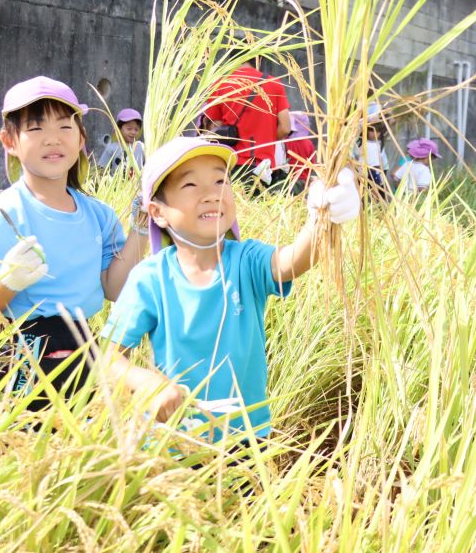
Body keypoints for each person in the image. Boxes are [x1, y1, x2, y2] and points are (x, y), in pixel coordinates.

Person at [100, 137, 359, 442]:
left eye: (221, 180)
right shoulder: (150, 279)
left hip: (248, 441)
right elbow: (110, 357)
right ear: (157, 212)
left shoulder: (246, 261)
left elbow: (293, 260)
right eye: (190, 185)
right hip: (174, 444)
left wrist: (322, 217)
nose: (212, 194)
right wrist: (146, 383)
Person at [0, 76, 147, 411]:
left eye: (64, 127)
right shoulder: (5, 216)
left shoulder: (97, 215)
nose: (52, 140)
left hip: (82, 347)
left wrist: (142, 228)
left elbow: (114, 288)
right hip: (19, 352)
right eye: (35, 129)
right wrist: (7, 281)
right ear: (9, 140)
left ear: (81, 139)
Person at [202, 59, 291, 181]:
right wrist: (265, 139)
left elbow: (214, 128)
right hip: (263, 166)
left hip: (229, 161)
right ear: (258, 62)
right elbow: (285, 128)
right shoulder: (274, 84)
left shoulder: (220, 84)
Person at [98, 108, 145, 173]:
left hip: (137, 183)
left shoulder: (141, 147)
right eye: (129, 129)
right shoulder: (112, 148)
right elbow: (101, 168)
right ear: (118, 129)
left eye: (136, 129)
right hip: (116, 183)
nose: (133, 132)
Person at [283, 111, 317, 194]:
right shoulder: (309, 143)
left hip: (287, 182)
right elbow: (312, 165)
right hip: (304, 182)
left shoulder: (285, 142)